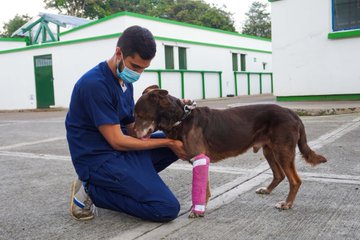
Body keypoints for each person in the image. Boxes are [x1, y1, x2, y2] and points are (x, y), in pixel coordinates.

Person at [65, 25, 188, 222]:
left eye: (144, 68)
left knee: (182, 139)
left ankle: (131, 179)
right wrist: (168, 143)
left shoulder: (125, 82)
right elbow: (117, 141)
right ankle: (93, 189)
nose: (138, 73)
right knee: (165, 208)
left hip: (122, 154)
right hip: (100, 160)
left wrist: (173, 114)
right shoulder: (95, 85)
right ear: (118, 52)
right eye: (135, 66)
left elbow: (132, 130)